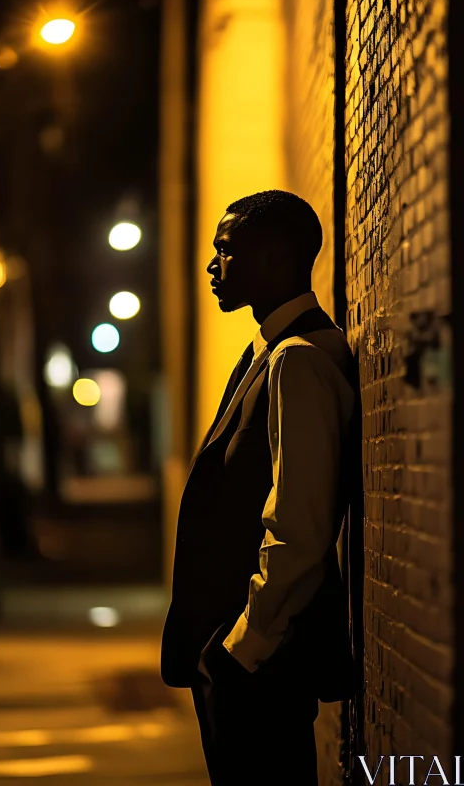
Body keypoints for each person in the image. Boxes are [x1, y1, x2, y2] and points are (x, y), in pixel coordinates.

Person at [160, 190, 358, 785]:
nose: (213, 267)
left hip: (263, 665)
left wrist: (242, 646)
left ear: (274, 260)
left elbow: (300, 526)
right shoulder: (269, 354)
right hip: (252, 660)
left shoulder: (297, 361)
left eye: (226, 251)